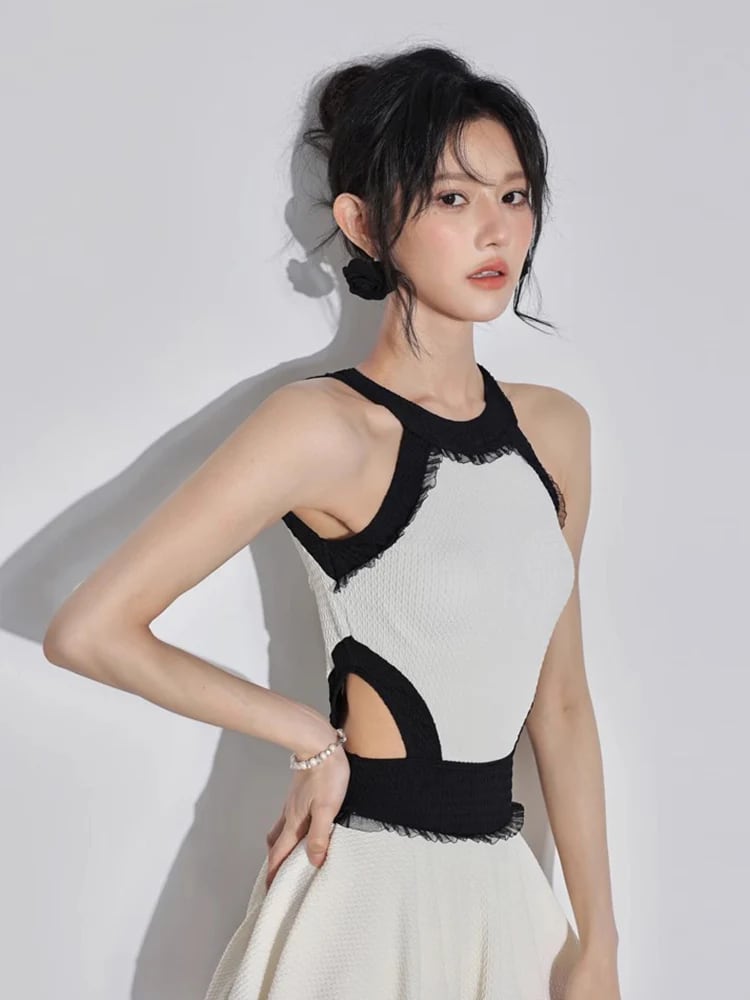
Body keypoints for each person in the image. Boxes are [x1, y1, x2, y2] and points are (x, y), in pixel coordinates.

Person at [43, 44, 621, 1000]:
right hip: (365, 901)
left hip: (506, 903)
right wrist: (308, 737)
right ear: (363, 222)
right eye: (452, 198)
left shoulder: (555, 431)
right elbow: (89, 630)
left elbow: (559, 703)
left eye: (514, 196)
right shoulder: (323, 427)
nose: (497, 230)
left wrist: (598, 941)